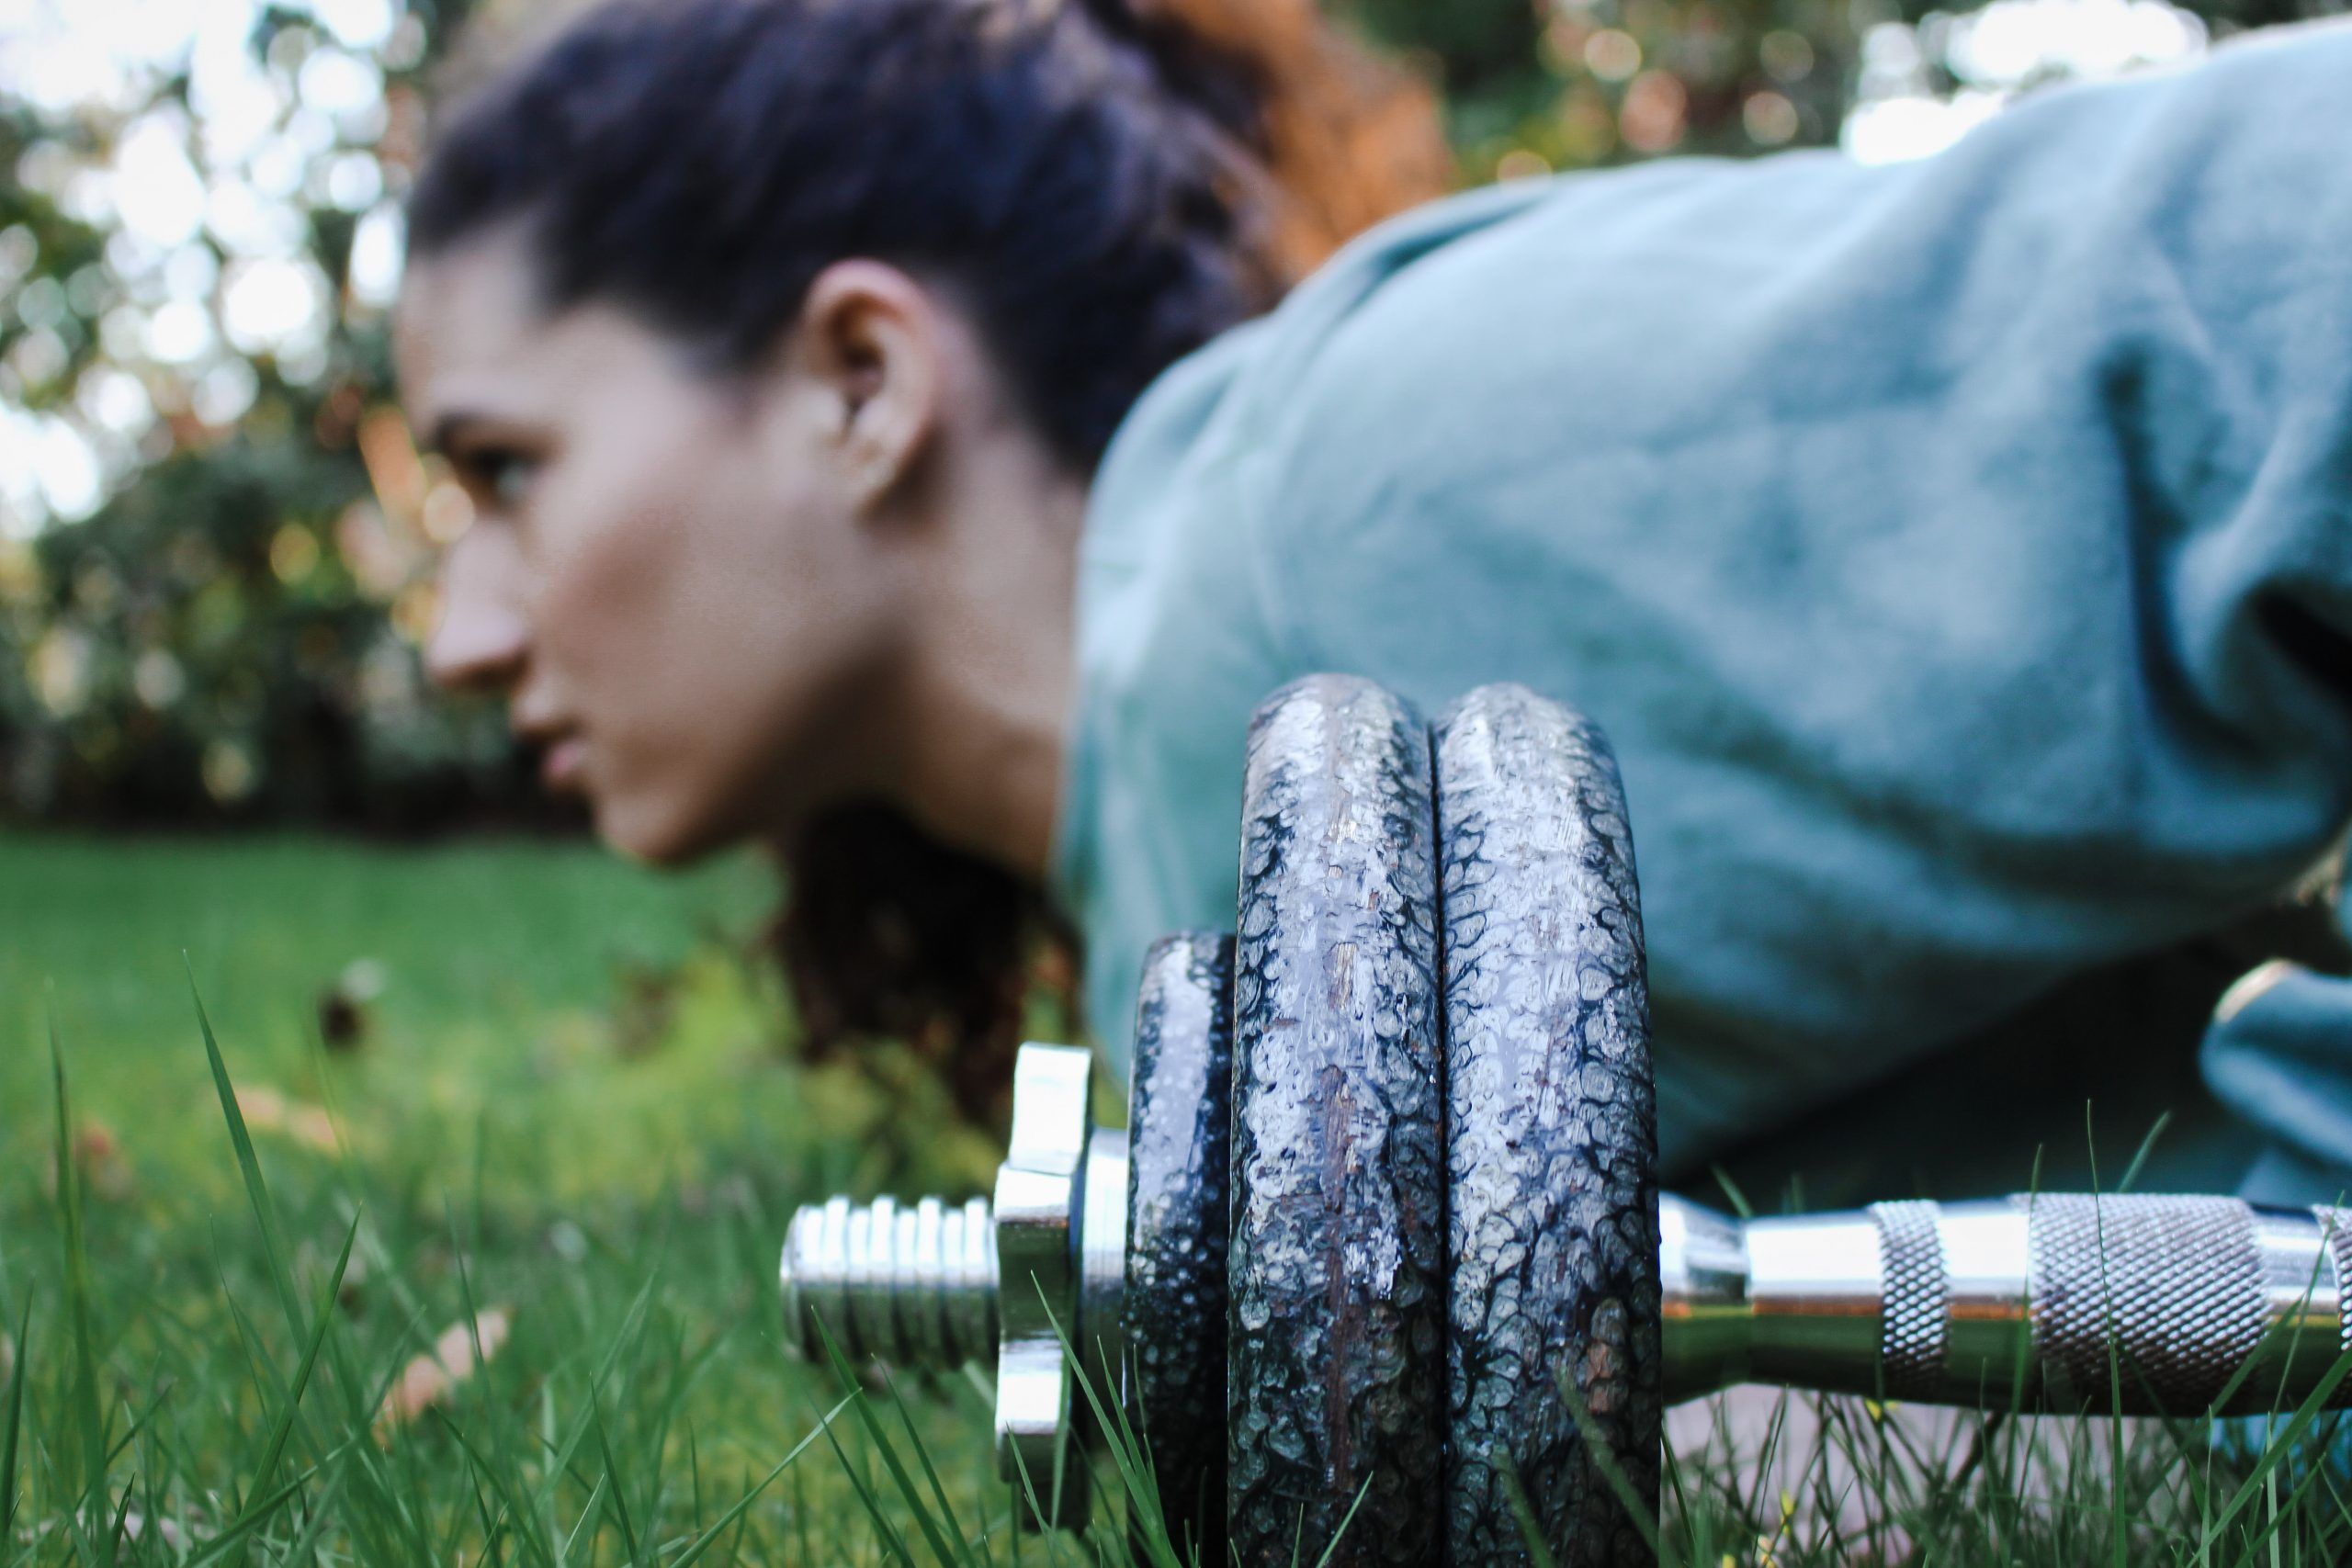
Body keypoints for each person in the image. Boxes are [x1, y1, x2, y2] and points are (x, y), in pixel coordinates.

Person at [398, 0, 2352, 1205]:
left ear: (859, 384)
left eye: (505, 471)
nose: (457, 634)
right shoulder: (1180, 893)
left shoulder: (1360, 492)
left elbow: (2303, 239)